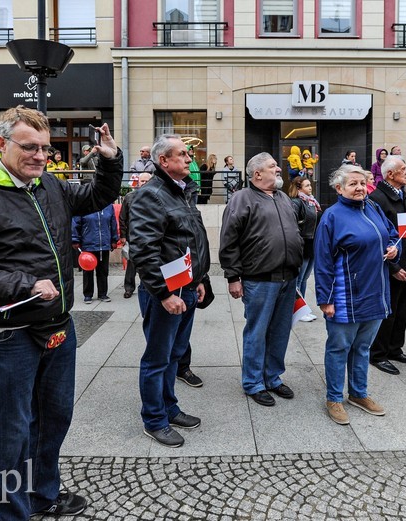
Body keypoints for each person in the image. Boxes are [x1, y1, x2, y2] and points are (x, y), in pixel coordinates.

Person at [0, 107, 122, 519]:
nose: (40, 156)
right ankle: (11, 513)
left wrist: (109, 161)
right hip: (9, 337)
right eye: (29, 147)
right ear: (2, 144)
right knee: (9, 436)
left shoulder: (47, 184)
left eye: (45, 148)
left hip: (57, 327)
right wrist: (23, 284)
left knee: (53, 421)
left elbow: (95, 197)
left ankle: (41, 495)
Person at [129, 134, 210, 448]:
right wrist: (164, 294)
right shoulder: (152, 195)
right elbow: (144, 251)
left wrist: (199, 280)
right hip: (164, 293)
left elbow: (190, 240)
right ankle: (154, 419)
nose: (190, 159)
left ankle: (170, 407)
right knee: (157, 358)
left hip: (187, 288)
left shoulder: (182, 192)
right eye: (182, 155)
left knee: (174, 355)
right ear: (163, 161)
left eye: (189, 155)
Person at [314, 164, 398, 425]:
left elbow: (393, 235)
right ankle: (334, 398)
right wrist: (325, 299)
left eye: (362, 183)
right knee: (339, 348)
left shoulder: (373, 208)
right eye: (353, 184)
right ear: (339, 188)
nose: (360, 188)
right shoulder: (331, 216)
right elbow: (323, 260)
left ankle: (359, 394)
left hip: (375, 293)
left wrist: (395, 248)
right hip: (344, 296)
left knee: (362, 348)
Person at [220, 152, 302, 407]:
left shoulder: (283, 198)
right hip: (259, 280)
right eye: (273, 167)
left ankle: (272, 377)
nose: (279, 170)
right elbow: (229, 241)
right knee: (256, 333)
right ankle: (254, 382)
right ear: (257, 174)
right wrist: (233, 277)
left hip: (288, 279)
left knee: (279, 332)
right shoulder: (241, 198)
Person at [368, 155, 406, 374]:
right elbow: (378, 238)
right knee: (388, 311)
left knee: (402, 310)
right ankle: (378, 353)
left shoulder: (402, 195)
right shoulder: (378, 198)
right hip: (390, 265)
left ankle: (394, 348)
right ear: (390, 174)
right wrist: (393, 268)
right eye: (403, 169)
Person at [72, 204, 119, 304]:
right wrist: (75, 239)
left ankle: (102, 293)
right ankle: (88, 294)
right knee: (88, 271)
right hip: (88, 243)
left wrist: (114, 239)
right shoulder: (83, 206)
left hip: (104, 244)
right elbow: (75, 223)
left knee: (103, 270)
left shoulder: (108, 206)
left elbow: (113, 223)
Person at [289, 176, 320, 322]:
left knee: (305, 278)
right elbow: (293, 224)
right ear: (299, 187)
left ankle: (302, 307)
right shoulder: (297, 202)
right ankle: (297, 309)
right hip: (302, 244)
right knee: (299, 278)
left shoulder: (312, 202)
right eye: (307, 185)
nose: (310, 187)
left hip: (312, 243)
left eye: (310, 185)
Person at [120, 171, 153, 299]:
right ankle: (129, 288)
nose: (144, 183)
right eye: (142, 181)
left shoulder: (155, 197)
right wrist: (123, 235)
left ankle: (148, 286)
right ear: (138, 182)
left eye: (146, 181)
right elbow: (122, 217)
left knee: (149, 262)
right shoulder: (129, 197)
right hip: (133, 235)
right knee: (131, 263)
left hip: (150, 235)